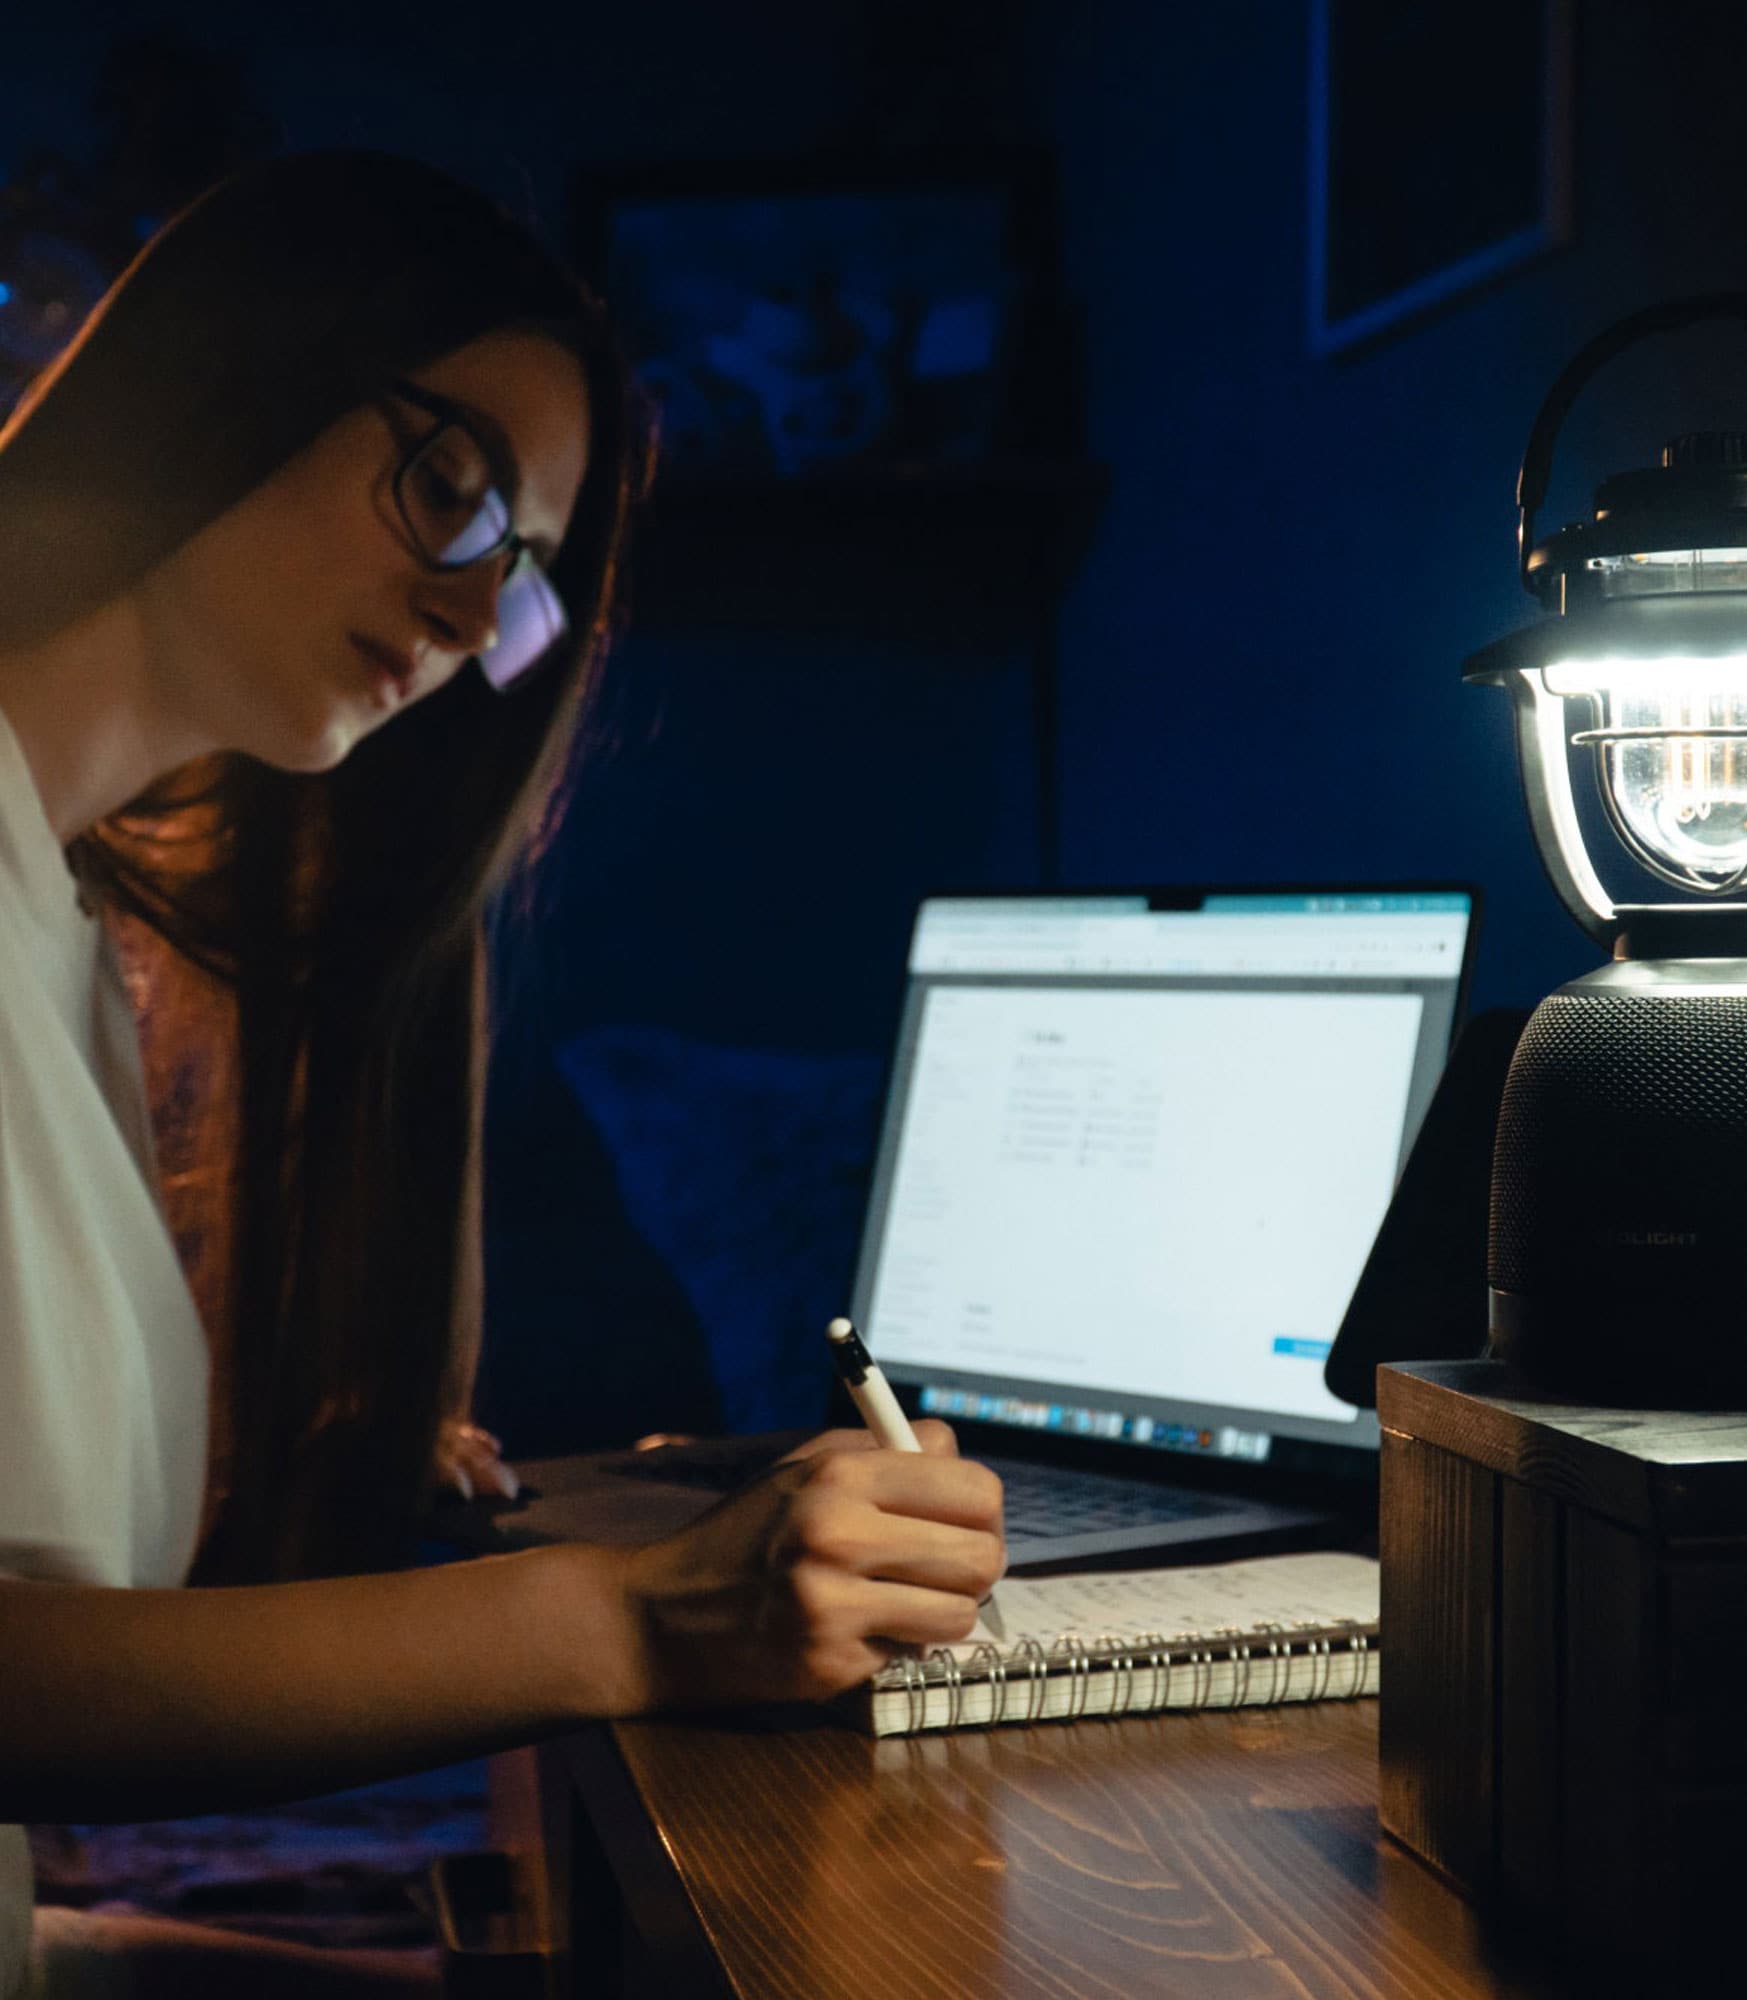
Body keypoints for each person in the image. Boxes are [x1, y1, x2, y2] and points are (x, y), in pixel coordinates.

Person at [0, 151, 1006, 1998]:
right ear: (244, 360)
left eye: (524, 570)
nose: (476, 624)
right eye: (452, 489)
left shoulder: (62, 944)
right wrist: (627, 1619)